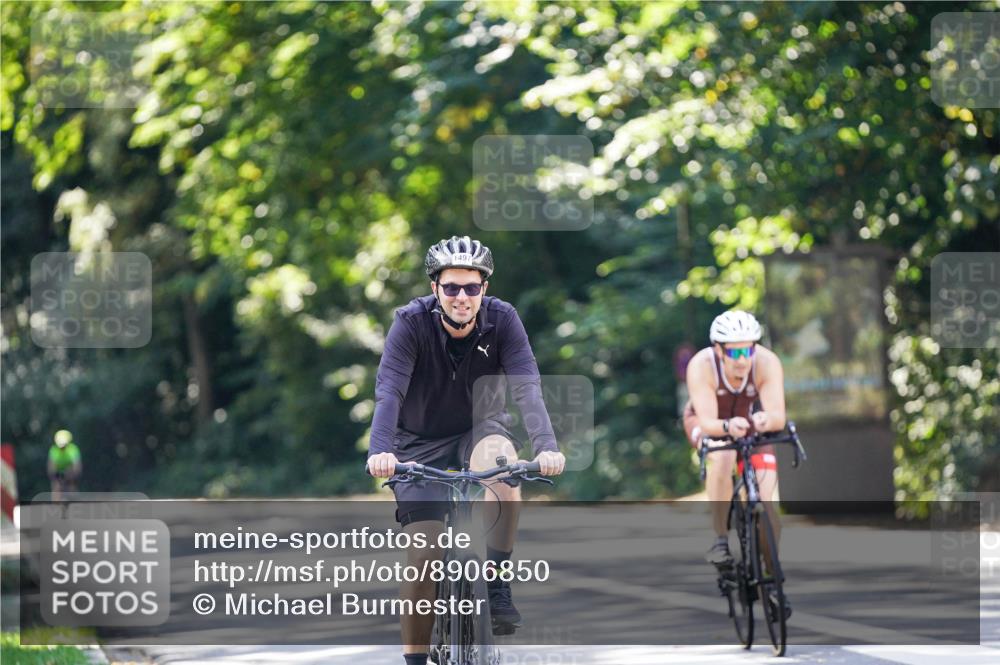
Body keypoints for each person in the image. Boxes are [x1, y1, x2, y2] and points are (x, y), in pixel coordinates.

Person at [366, 235, 566, 665]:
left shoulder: (504, 320)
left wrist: (547, 447)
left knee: (503, 467)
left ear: (484, 290)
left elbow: (527, 387)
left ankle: (495, 581)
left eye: (471, 288)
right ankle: (416, 660)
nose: (462, 297)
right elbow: (389, 393)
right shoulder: (410, 322)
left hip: (481, 429)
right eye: (452, 287)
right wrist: (381, 451)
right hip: (416, 442)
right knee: (424, 553)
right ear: (435, 287)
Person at [681, 310, 791, 616]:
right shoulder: (702, 366)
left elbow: (778, 415)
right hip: (712, 423)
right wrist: (727, 428)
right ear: (719, 350)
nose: (743, 359)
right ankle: (720, 539)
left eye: (749, 349)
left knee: (766, 502)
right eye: (735, 351)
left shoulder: (766, 362)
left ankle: (771, 576)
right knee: (724, 454)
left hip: (751, 422)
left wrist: (765, 418)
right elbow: (708, 421)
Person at [47, 429, 82, 499]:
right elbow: (51, 467)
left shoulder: (73, 449)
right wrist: (55, 478)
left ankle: (73, 498)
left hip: (69, 471)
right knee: (56, 488)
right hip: (58, 472)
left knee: (71, 488)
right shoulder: (54, 450)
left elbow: (77, 465)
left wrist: (73, 476)